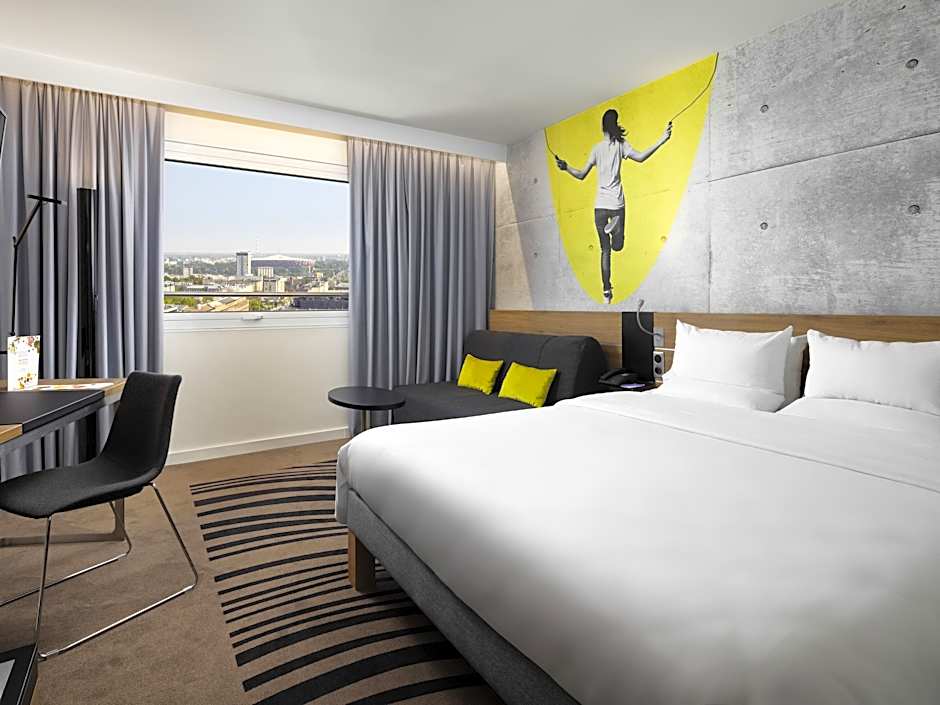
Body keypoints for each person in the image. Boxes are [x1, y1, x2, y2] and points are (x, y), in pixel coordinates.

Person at [555, 109, 672, 303]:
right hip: (616, 204)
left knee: (605, 250)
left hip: (600, 207)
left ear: (602, 128)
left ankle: (606, 291)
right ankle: (615, 229)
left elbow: (581, 175)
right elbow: (641, 157)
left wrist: (566, 167)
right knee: (618, 246)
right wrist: (662, 139)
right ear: (615, 125)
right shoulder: (621, 145)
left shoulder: (596, 149)